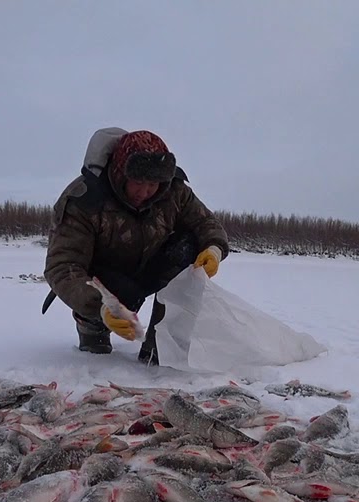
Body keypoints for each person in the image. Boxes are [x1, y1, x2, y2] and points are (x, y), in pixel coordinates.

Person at [40, 127, 230, 366]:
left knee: (188, 245)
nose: (145, 191)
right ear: (121, 173)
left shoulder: (174, 190)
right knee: (108, 312)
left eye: (154, 183)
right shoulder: (83, 199)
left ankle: (162, 342)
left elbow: (206, 223)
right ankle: (92, 327)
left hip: (150, 265)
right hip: (103, 279)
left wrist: (213, 248)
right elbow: (62, 266)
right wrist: (100, 307)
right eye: (138, 182)